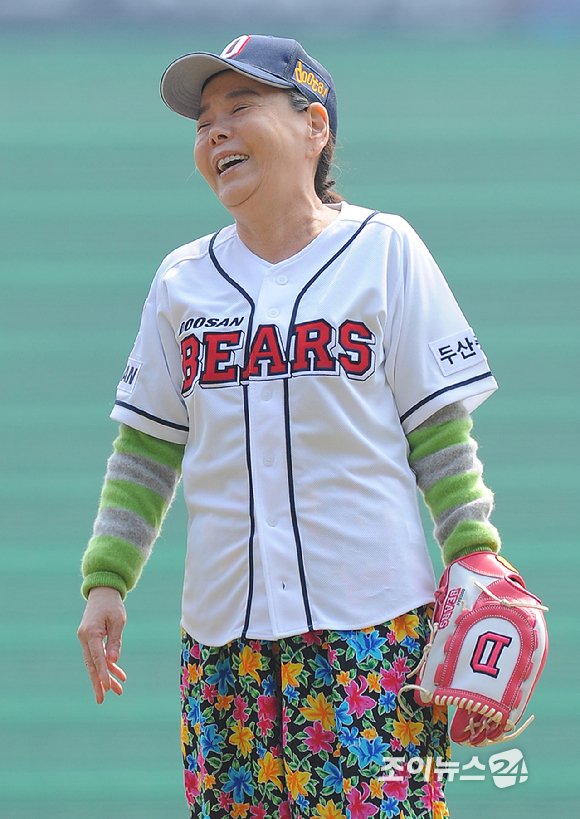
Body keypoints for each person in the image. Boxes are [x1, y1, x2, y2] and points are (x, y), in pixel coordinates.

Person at [78, 35, 502, 819]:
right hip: (222, 640)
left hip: (370, 632)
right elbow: (146, 447)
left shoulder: (386, 250)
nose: (215, 133)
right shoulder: (182, 280)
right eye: (203, 122)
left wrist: (474, 555)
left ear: (315, 129)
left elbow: (438, 430)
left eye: (241, 108)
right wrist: (108, 577)